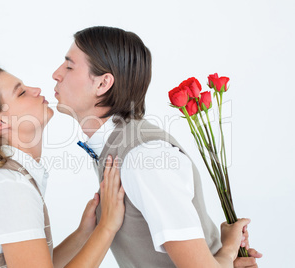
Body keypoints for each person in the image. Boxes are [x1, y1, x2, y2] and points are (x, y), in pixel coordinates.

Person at [52, 26, 263, 267]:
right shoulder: (116, 147)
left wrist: (227, 251)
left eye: (69, 66)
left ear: (103, 84)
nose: (56, 74)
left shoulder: (145, 157)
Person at [0, 65, 126, 268]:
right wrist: (107, 228)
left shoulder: (4, 180)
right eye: (21, 92)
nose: (36, 90)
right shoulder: (8, 188)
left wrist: (84, 233)